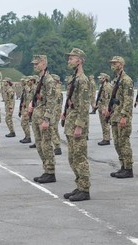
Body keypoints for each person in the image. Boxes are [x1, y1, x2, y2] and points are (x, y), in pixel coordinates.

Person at [62, 48, 91, 201]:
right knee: (72, 157)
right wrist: (65, 113)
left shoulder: (83, 80)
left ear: (79, 60)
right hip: (71, 122)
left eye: (71, 58)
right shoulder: (74, 78)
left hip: (77, 124)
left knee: (79, 157)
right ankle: (79, 184)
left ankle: (85, 189)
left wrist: (79, 125)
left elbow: (84, 105)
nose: (69, 61)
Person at [29, 55, 57, 184]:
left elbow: (51, 101)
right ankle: (46, 170)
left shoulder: (49, 80)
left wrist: (46, 119)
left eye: (37, 64)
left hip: (43, 117)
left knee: (46, 145)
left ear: (44, 63)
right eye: (34, 64)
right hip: (37, 114)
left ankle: (50, 172)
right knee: (40, 144)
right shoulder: (40, 79)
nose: (35, 66)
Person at [107, 56, 135, 179]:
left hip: (123, 116)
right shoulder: (116, 79)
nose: (113, 65)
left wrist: (124, 115)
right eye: (112, 63)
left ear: (121, 64)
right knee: (117, 143)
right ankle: (123, 166)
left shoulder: (126, 80)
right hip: (115, 115)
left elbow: (128, 100)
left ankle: (128, 168)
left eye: (115, 63)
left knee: (124, 142)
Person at [96, 73, 112, 146]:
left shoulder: (107, 86)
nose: (99, 79)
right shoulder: (102, 86)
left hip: (104, 107)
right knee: (103, 123)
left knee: (105, 123)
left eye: (101, 78)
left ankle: (106, 139)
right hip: (101, 106)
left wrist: (105, 108)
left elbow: (107, 99)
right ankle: (105, 137)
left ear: (105, 79)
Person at [51, 74, 63, 155]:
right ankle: (57, 145)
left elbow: (56, 104)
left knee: (52, 128)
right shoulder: (55, 89)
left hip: (55, 111)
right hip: (55, 111)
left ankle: (57, 146)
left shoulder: (57, 91)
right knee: (54, 128)